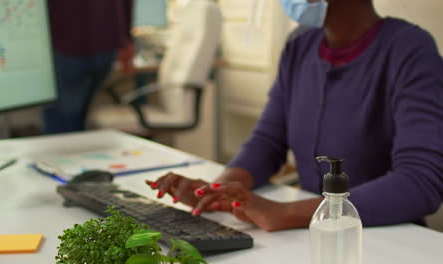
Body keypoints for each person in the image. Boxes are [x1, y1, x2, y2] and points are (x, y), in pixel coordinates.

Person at [146, 0, 443, 231]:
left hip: (385, 238)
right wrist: (219, 191)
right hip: (313, 231)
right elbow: (268, 142)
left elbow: (420, 182)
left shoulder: (410, 50)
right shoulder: (300, 44)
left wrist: (285, 213)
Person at [43, 0, 134, 134]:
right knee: (78, 119)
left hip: (67, 42)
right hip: (106, 40)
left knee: (63, 124)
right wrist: (127, 39)